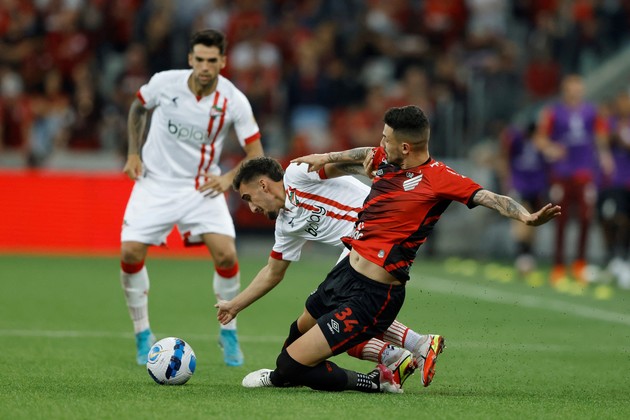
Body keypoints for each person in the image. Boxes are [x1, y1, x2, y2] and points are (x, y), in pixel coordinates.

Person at [222, 105, 560, 393]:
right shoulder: (385, 158)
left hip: (374, 289)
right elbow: (361, 155)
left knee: (298, 361)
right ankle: (404, 350)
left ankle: (377, 375)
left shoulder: (439, 178)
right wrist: (327, 155)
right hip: (346, 272)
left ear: (406, 147)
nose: (380, 144)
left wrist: (526, 217)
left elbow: (489, 197)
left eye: (386, 138)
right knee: (297, 333)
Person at [217, 156, 444, 389]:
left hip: (376, 236)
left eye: (248, 198)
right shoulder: (286, 225)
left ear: (263, 185)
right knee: (307, 325)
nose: (252, 208)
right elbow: (272, 272)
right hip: (359, 252)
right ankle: (396, 355)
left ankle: (413, 347)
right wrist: (235, 306)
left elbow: (339, 166)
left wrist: (374, 170)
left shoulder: (296, 174)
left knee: (336, 315)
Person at [119, 29, 264, 366]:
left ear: (222, 62)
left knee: (226, 255)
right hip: (155, 182)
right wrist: (133, 153)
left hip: (201, 186)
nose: (204, 66)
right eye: (199, 59)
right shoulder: (164, 83)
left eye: (212, 60)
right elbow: (138, 108)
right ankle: (142, 333)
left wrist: (228, 178)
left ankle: (229, 332)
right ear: (190, 59)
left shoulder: (233, 100)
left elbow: (256, 153)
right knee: (129, 252)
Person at [534, 74, 612, 285]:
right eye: (572, 88)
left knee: (586, 218)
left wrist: (605, 156)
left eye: (579, 88)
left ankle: (580, 264)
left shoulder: (592, 111)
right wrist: (550, 148)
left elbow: (601, 135)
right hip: (561, 173)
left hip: (584, 173)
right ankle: (558, 265)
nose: (576, 92)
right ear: (565, 90)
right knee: (560, 219)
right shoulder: (553, 112)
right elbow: (540, 138)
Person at [497, 122, 549, 278]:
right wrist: (507, 181)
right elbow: (505, 153)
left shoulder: (541, 143)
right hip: (520, 185)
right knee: (521, 219)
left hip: (537, 187)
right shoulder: (517, 140)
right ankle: (522, 254)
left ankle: (528, 254)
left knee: (535, 222)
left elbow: (552, 157)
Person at [597, 92, 630, 288]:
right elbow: (601, 141)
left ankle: (623, 259)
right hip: (615, 181)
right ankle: (615, 256)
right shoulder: (610, 122)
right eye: (621, 102)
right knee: (614, 218)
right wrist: (613, 135)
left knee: (627, 220)